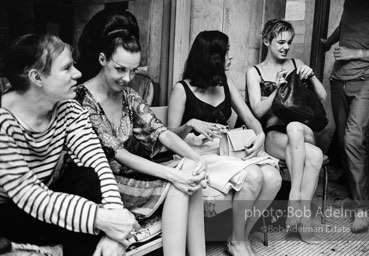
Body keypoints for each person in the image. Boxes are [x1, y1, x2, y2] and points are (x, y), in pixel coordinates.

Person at [73, 17, 208, 256]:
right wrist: (173, 174)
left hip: (131, 174)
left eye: (133, 70)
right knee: (179, 183)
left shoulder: (128, 95)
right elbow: (119, 154)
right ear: (102, 59)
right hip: (104, 184)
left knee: (190, 170)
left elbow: (162, 132)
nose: (127, 78)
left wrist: (199, 161)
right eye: (120, 69)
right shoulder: (82, 100)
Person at [0, 33, 140, 256]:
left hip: (45, 212)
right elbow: (29, 194)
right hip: (9, 216)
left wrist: (114, 226)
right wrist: (101, 218)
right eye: (67, 68)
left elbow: (97, 164)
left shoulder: (69, 108)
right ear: (37, 77)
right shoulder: (3, 123)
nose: (78, 73)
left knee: (86, 177)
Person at [168, 30, 282, 256]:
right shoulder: (181, 89)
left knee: (273, 177)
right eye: (226, 52)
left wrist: (259, 136)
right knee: (254, 176)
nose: (231, 57)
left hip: (226, 151)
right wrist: (190, 124)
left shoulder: (225, 82)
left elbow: (250, 118)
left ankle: (239, 236)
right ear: (212, 57)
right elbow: (170, 136)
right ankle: (238, 243)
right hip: (196, 155)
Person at [246, 19, 327, 243]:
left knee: (294, 126)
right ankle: (305, 222)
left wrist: (310, 75)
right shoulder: (255, 72)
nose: (286, 47)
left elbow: (322, 97)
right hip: (273, 134)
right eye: (280, 42)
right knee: (316, 155)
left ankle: (294, 198)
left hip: (302, 130)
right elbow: (258, 110)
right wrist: (277, 90)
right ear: (266, 41)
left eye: (289, 42)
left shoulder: (296, 63)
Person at [322, 0, 369, 233]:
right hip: (339, 78)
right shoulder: (350, 2)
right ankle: (354, 196)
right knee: (342, 142)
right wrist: (328, 42)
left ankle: (363, 208)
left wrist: (356, 52)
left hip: (367, 78)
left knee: (354, 139)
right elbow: (344, 27)